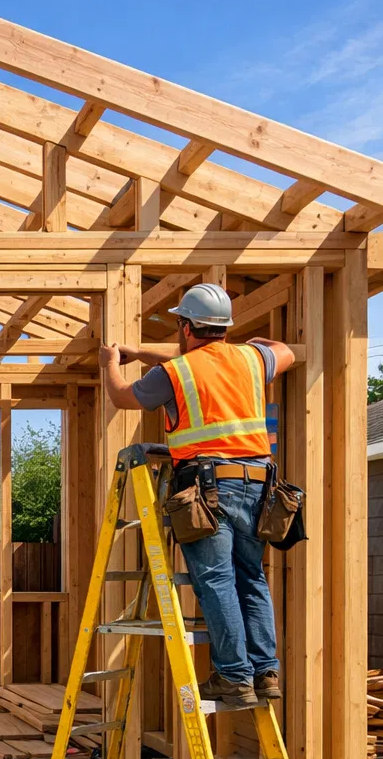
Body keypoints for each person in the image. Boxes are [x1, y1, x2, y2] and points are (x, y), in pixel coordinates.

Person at [99, 282, 295, 709]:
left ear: (186, 327)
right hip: (259, 486)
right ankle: (265, 673)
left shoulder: (173, 374)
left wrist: (111, 363)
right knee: (252, 578)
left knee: (217, 580)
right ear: (223, 327)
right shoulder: (251, 358)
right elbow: (285, 351)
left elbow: (121, 396)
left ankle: (234, 678)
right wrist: (250, 339)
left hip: (208, 489)